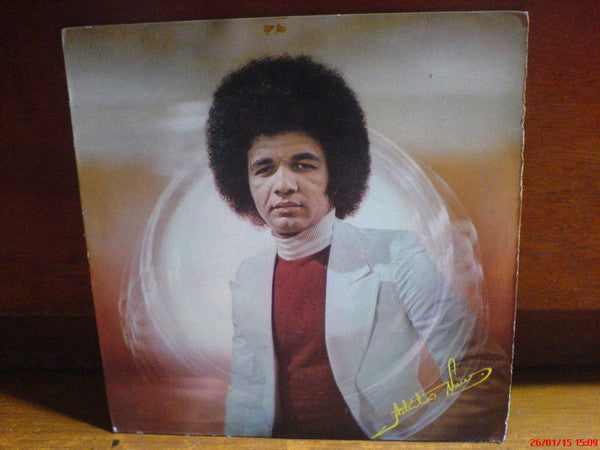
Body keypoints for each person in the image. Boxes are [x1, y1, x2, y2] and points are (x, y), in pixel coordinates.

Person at [206, 55, 510, 441]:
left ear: (336, 172)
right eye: (264, 169)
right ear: (243, 182)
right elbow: (247, 398)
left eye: (303, 165)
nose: (283, 185)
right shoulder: (250, 276)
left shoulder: (397, 255)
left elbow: (484, 376)